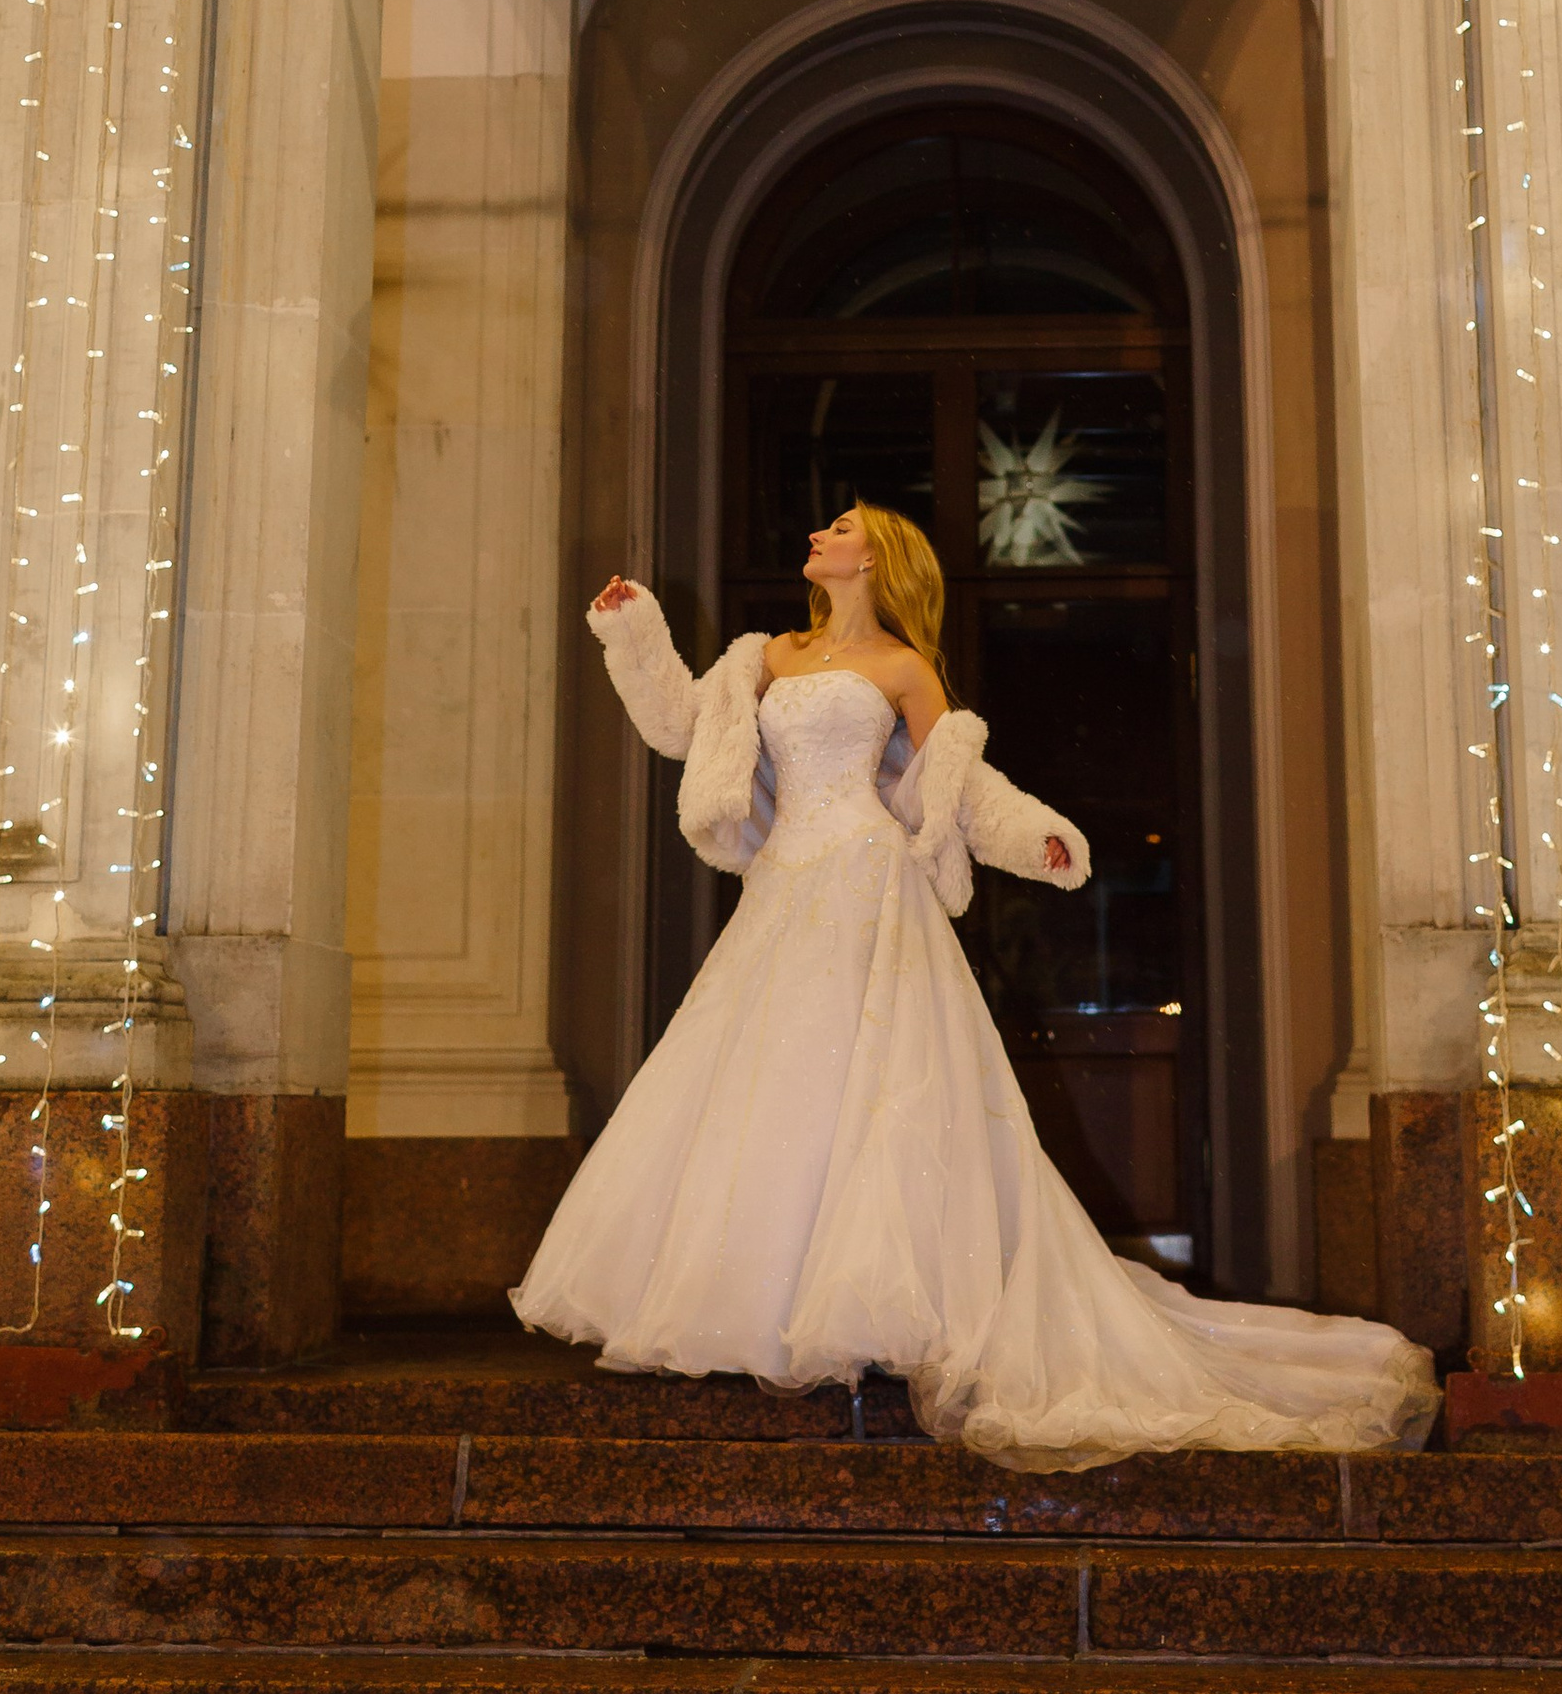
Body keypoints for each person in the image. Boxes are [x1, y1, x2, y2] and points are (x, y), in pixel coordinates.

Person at [511, 499, 1438, 1465]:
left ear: (876, 558)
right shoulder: (764, 657)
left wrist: (1035, 838)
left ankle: (875, 1310)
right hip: (783, 890)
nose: (818, 533)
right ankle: (764, 1305)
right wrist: (633, 631)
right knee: (772, 1086)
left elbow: (960, 781)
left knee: (878, 1091)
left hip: (871, 887)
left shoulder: (905, 669)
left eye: (840, 527)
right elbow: (683, 729)